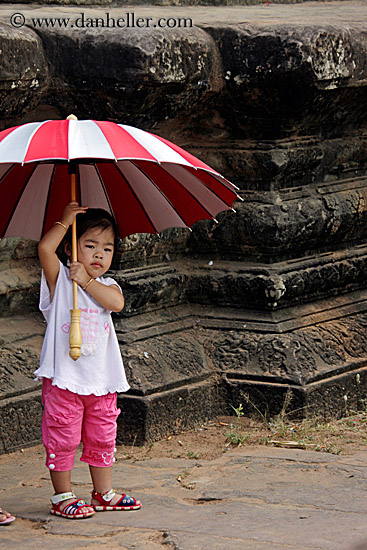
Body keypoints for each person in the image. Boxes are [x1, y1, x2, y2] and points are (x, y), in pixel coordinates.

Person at [34, 201, 141, 519]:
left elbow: (117, 304)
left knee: (103, 435)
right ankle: (62, 495)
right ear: (70, 248)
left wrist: (88, 281)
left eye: (107, 249)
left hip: (101, 380)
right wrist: (66, 221)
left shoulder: (106, 286)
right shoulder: (60, 281)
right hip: (65, 379)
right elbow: (44, 248)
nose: (98, 255)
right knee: (63, 435)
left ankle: (103, 492)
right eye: (90, 245)